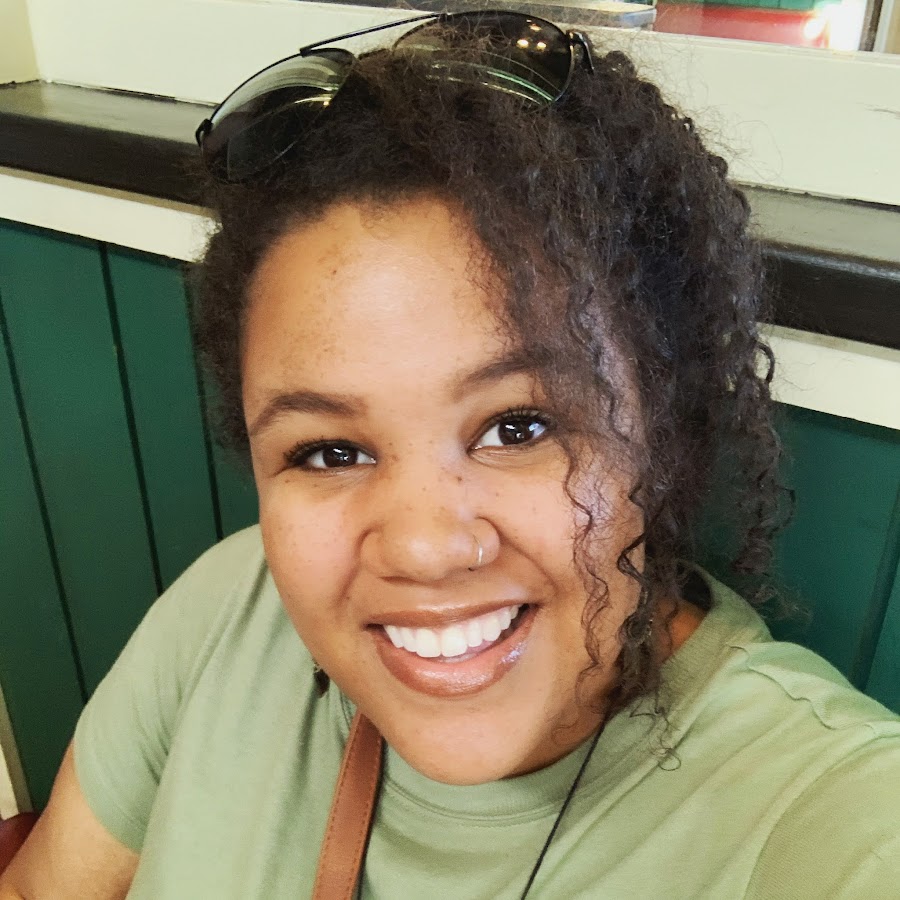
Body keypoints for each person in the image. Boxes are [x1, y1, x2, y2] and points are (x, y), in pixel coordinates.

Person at [2, 11, 898, 899]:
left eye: (519, 427)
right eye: (330, 450)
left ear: (663, 431)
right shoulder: (226, 612)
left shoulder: (828, 821)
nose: (424, 549)